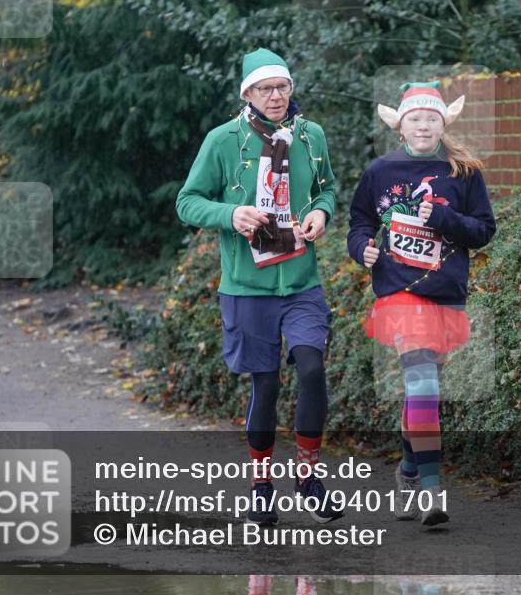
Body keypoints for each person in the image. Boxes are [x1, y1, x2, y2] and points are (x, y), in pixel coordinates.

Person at [176, 48, 342, 525]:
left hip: (301, 281)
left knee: (311, 369)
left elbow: (327, 187)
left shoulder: (311, 137)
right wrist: (231, 214)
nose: (275, 96)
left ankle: (308, 477)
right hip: (248, 286)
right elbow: (187, 202)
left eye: (282, 87)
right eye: (265, 89)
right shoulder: (223, 140)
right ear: (247, 94)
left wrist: (321, 212)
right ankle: (261, 485)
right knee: (265, 385)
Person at [347, 81, 496, 525]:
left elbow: (485, 230)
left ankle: (410, 470)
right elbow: (360, 221)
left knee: (423, 392)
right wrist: (362, 249)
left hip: (445, 294)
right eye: (416, 118)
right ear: (401, 126)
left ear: (443, 123)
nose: (424, 124)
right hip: (397, 293)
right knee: (423, 384)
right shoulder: (380, 172)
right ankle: (431, 489)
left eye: (432, 118)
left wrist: (446, 218)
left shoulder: (464, 173)